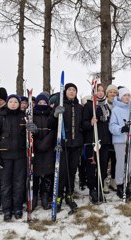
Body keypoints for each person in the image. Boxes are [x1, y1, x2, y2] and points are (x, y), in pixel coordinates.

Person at [0, 94, 33, 221]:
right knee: (5, 184)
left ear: (19, 104)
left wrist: (32, 129)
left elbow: (30, 136)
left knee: (19, 183)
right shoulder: (0, 118)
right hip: (5, 156)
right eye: (11, 102)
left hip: (20, 156)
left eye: (16, 102)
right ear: (7, 103)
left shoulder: (24, 118)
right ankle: (7, 209)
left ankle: (17, 208)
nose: (13, 104)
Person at [48, 83, 84, 211]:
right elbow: (50, 124)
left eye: (74, 90)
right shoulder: (60, 106)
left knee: (72, 171)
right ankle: (58, 197)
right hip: (62, 144)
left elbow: (83, 125)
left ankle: (69, 194)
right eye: (69, 89)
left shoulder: (80, 107)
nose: (72, 92)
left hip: (76, 144)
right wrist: (55, 114)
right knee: (62, 171)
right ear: (65, 92)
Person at [83, 83, 111, 203]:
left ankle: (99, 187)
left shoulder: (106, 106)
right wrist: (91, 122)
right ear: (94, 92)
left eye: (102, 91)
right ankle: (92, 189)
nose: (100, 93)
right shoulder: (89, 105)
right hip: (92, 141)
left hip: (104, 142)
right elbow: (83, 124)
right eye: (98, 90)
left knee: (103, 166)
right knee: (92, 166)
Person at [109, 87, 131, 200]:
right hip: (120, 140)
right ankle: (119, 185)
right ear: (120, 97)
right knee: (120, 162)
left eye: (128, 95)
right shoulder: (116, 109)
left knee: (129, 163)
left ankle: (126, 183)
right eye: (124, 95)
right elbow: (111, 126)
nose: (127, 97)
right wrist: (121, 129)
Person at [32, 93, 55, 210]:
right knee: (35, 174)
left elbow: (53, 131)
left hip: (48, 148)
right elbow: (29, 134)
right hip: (35, 149)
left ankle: (45, 195)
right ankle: (34, 196)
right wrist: (35, 140)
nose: (42, 105)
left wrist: (45, 143)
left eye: (44, 103)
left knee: (47, 173)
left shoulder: (51, 115)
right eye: (40, 103)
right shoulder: (32, 115)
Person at [105, 84, 118, 192]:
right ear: (107, 93)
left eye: (114, 92)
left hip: (117, 137)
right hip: (106, 136)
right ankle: (104, 181)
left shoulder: (119, 105)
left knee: (115, 160)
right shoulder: (104, 105)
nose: (112, 94)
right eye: (110, 92)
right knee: (105, 160)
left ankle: (113, 181)